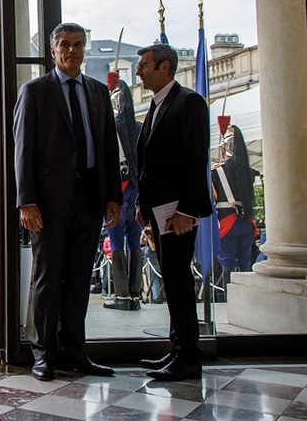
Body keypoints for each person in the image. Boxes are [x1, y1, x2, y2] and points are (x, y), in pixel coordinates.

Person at [13, 22, 121, 381]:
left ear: (84, 49)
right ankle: (44, 354)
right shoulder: (35, 91)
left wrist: (112, 198)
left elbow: (108, 148)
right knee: (48, 278)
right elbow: (23, 151)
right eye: (64, 44)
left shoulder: (97, 92)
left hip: (90, 198)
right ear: (53, 50)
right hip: (48, 203)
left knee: (78, 281)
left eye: (77, 44)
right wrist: (27, 201)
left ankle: (76, 351)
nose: (71, 50)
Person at [134, 43, 211, 382]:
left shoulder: (189, 102)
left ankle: (189, 358)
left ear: (164, 67)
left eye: (144, 65)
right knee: (173, 280)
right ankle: (177, 349)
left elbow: (196, 160)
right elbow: (151, 163)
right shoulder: (156, 105)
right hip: (160, 211)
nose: (138, 71)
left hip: (178, 213)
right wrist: (142, 204)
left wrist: (186, 210)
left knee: (178, 282)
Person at [103, 74, 143, 311]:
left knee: (117, 243)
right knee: (135, 243)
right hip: (135, 194)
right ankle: (136, 295)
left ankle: (122, 297)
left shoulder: (109, 128)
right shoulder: (139, 128)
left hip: (117, 192)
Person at [212, 120, 258, 290]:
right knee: (245, 261)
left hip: (226, 223)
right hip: (245, 222)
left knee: (227, 262)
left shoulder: (217, 171)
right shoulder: (249, 172)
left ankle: (229, 299)